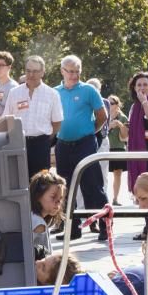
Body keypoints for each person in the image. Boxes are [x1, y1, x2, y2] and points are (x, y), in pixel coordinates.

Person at [54, 55, 108, 241]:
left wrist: (90, 132)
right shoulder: (55, 92)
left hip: (85, 143)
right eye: (71, 71)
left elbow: (102, 116)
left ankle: (105, 226)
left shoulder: (89, 90)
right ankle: (72, 228)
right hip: (63, 144)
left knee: (92, 185)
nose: (74, 75)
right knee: (65, 188)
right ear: (62, 71)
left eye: (77, 71)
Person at [1, 55, 63, 178]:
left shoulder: (52, 94)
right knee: (18, 179)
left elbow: (57, 123)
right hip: (19, 143)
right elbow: (7, 118)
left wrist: (44, 138)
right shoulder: (15, 92)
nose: (31, 74)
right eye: (28, 71)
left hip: (41, 144)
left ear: (42, 72)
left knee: (40, 184)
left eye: (35, 71)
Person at [30, 170, 65, 256]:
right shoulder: (39, 224)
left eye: (60, 199)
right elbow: (45, 258)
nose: (58, 202)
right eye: (53, 197)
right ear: (38, 196)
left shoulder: (33, 217)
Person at [105, 95, 129, 205]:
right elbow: (100, 133)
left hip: (118, 147)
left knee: (117, 174)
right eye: (108, 102)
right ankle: (104, 197)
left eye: (112, 103)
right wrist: (110, 126)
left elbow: (125, 136)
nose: (109, 105)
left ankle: (115, 199)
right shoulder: (104, 116)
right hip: (105, 148)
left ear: (117, 105)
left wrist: (120, 125)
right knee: (102, 174)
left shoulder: (123, 118)